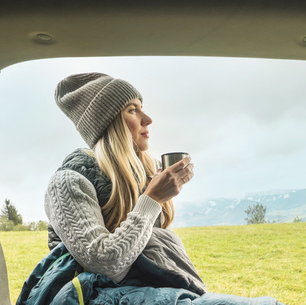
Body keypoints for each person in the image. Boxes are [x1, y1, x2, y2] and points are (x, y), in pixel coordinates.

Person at [46, 72, 206, 292]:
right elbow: (106, 264)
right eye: (133, 110)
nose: (147, 119)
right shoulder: (68, 182)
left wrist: (158, 193)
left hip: (144, 297)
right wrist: (153, 198)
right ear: (108, 122)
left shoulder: (141, 173)